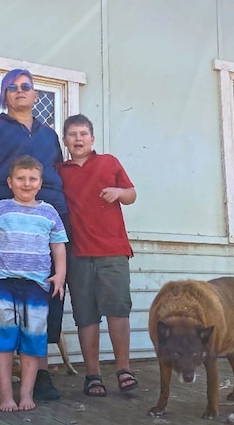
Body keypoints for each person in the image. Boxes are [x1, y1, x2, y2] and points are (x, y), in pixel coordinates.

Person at [0, 68, 71, 403]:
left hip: (46, 222)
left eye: (26, 87)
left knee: (46, 298)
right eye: (13, 87)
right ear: (4, 95)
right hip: (0, 225)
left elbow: (57, 173)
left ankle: (40, 375)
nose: (20, 92)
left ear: (36, 95)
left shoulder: (48, 135)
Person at [0, 155, 68, 412]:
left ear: (40, 182)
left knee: (32, 342)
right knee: (2, 341)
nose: (26, 183)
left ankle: (26, 395)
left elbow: (58, 245)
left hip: (36, 285)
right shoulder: (1, 208)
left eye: (32, 179)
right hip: (2, 283)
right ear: (10, 182)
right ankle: (6, 396)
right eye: (21, 179)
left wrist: (61, 274)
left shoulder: (49, 212)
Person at [56, 114, 138, 397]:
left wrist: (119, 192)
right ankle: (93, 375)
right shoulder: (59, 171)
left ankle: (124, 369)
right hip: (77, 253)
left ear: (92, 139)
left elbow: (132, 194)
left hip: (113, 250)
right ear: (65, 140)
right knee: (86, 315)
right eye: (72, 134)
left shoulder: (109, 162)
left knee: (117, 310)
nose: (78, 139)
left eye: (83, 134)